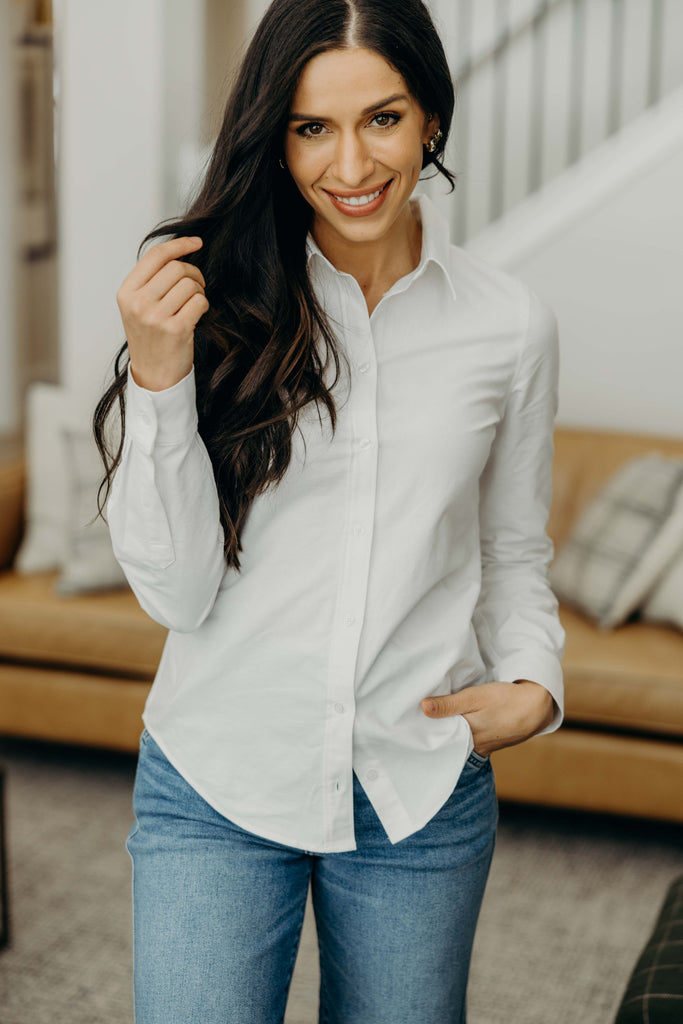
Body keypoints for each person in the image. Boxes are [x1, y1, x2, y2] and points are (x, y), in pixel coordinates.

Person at [93, 1, 566, 1021]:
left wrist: (535, 678)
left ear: (431, 117)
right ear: (276, 136)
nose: (349, 163)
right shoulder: (208, 304)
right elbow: (175, 592)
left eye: (382, 118)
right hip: (217, 777)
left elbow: (510, 544)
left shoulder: (509, 325)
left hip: (417, 788)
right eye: (311, 127)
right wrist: (160, 377)